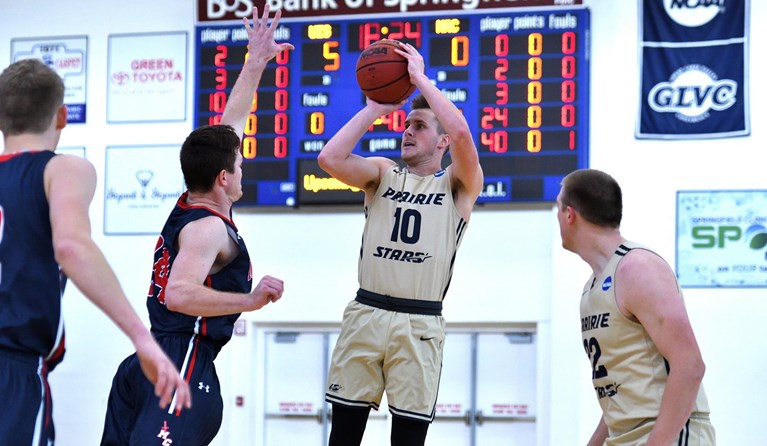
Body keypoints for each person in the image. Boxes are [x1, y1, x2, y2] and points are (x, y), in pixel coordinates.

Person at [99, 6, 290, 445]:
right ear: (224, 177)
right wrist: (251, 299)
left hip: (148, 360)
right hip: (184, 361)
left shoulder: (191, 205)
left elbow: (230, 125)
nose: (243, 169)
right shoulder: (207, 228)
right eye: (238, 166)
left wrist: (255, 62)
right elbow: (179, 293)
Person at [0, 59, 192, 443]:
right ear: (61, 116)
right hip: (13, 369)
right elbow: (70, 245)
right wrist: (142, 338)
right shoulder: (63, 169)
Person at [318, 42, 484, 446]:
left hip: (420, 321)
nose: (407, 131)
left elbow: (461, 131)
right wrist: (375, 108)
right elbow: (330, 159)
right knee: (342, 437)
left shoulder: (458, 186)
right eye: (406, 125)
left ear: (442, 143)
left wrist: (420, 80)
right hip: (367, 311)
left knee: (407, 441)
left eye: (420, 126)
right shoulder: (382, 173)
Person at [555, 169, 716, 446]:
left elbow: (690, 365)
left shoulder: (637, 267)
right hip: (625, 436)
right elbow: (621, 392)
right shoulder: (592, 288)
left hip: (670, 435)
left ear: (570, 215)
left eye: (557, 209)